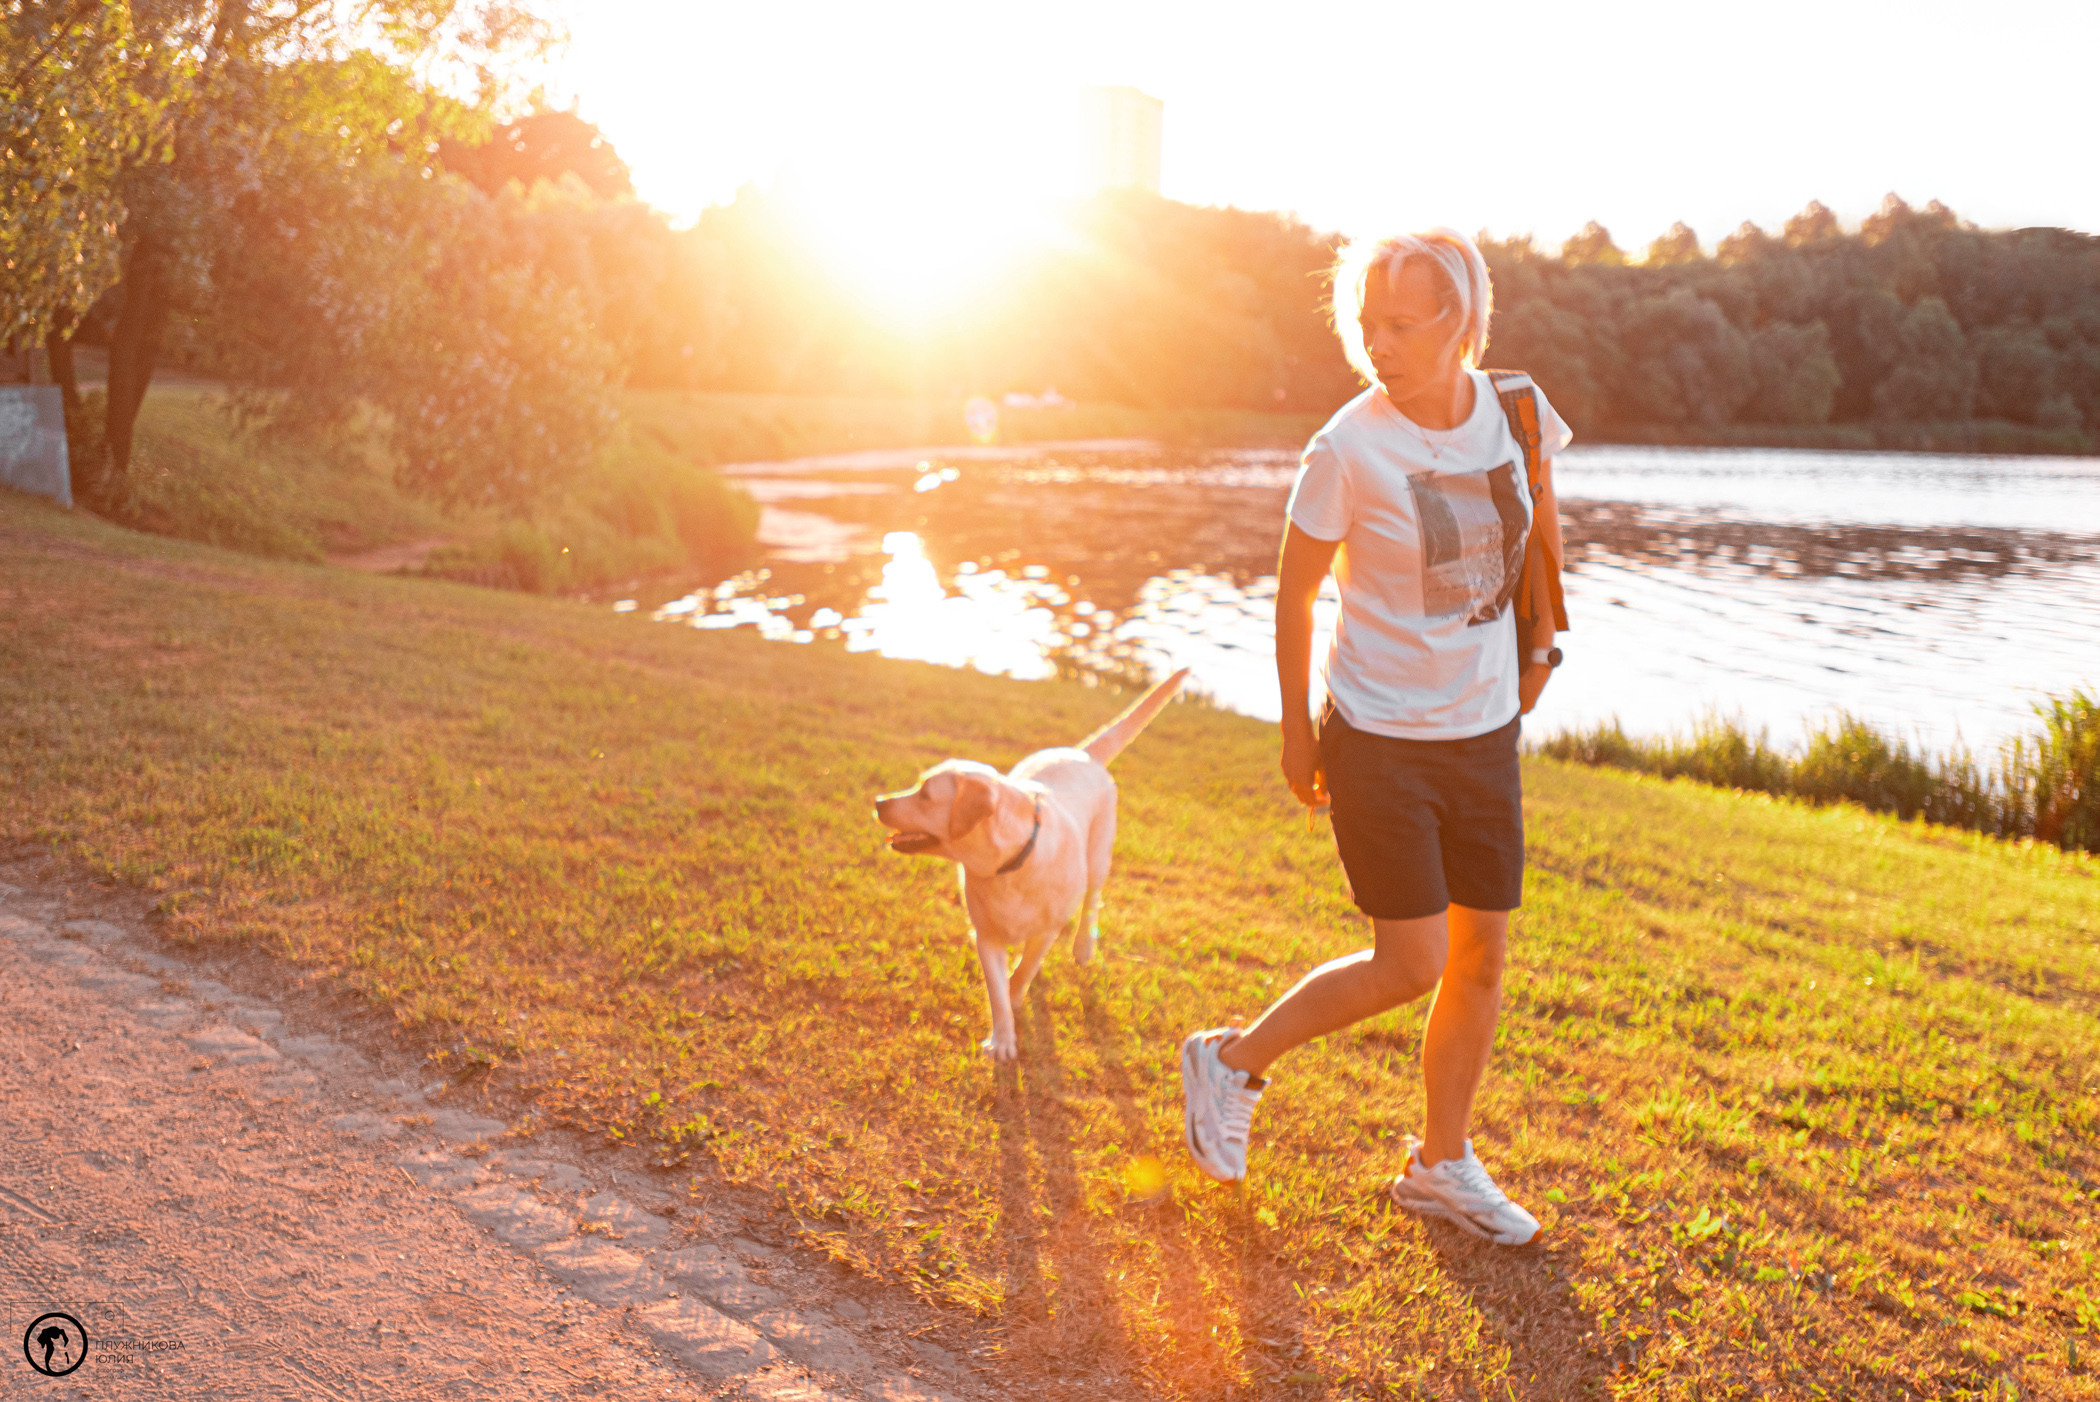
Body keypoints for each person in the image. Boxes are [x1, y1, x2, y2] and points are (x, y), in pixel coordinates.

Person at [1178, 227, 1570, 1246]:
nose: (1378, 344)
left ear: (1464, 323)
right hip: (1380, 735)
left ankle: (1442, 1163)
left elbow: (1543, 528)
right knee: (1409, 962)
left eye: (1402, 324)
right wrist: (1294, 736)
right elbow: (1296, 596)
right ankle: (1232, 1059)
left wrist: (1543, 651)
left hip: (1483, 731)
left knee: (1479, 959)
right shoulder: (1346, 448)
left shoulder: (1517, 411)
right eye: (1367, 324)